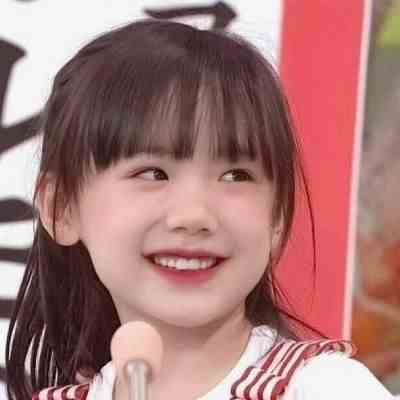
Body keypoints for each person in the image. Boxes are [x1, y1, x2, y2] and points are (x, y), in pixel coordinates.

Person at [5, 19, 393, 400]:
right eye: (153, 173)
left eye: (235, 176)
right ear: (61, 207)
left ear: (277, 216)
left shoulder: (325, 388)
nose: (194, 216)